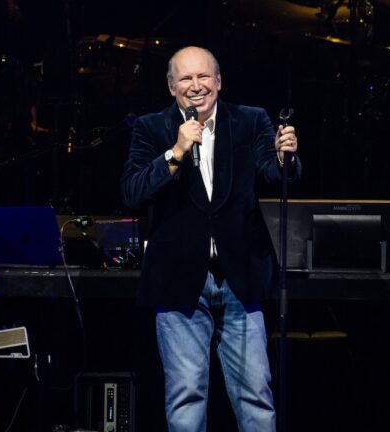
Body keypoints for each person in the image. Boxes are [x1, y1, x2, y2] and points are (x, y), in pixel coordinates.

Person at [121, 46, 301, 431]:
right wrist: (176, 152)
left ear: (218, 81)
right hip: (179, 281)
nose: (196, 86)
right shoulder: (151, 128)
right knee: (186, 397)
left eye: (204, 76)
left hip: (240, 278)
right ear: (172, 87)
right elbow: (133, 192)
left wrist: (284, 157)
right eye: (186, 78)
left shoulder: (250, 120)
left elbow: (274, 172)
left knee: (256, 395)